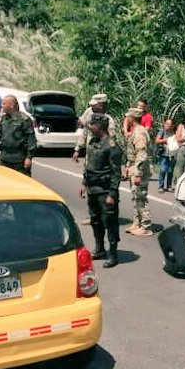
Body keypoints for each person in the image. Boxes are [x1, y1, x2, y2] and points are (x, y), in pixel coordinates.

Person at [79, 113, 124, 268]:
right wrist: (84, 183)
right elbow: (89, 166)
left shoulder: (111, 146)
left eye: (91, 124)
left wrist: (112, 193)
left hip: (105, 191)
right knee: (95, 220)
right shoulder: (93, 141)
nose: (89, 127)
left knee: (110, 223)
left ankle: (113, 254)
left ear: (98, 126)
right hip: (92, 188)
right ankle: (100, 249)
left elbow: (116, 172)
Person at [123, 105, 153, 236]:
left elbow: (142, 154)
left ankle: (145, 226)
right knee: (136, 197)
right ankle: (137, 223)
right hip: (134, 167)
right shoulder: (136, 130)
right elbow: (133, 153)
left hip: (139, 170)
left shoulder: (139, 132)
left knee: (141, 198)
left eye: (128, 117)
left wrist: (138, 173)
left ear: (132, 118)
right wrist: (128, 166)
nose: (126, 119)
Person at [0, 95, 36, 176]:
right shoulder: (4, 119)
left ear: (11, 105)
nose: (2, 106)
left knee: (21, 183)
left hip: (19, 159)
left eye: (4, 103)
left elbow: (31, 139)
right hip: (5, 158)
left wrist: (29, 157)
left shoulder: (24, 120)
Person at [73, 93, 117, 164]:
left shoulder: (109, 121)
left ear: (101, 106)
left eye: (94, 106)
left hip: (101, 157)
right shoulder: (89, 114)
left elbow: (112, 140)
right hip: (90, 153)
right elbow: (85, 133)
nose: (92, 107)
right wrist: (77, 149)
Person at [171, 113, 185, 184]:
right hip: (183, 148)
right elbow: (178, 139)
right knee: (180, 167)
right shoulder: (181, 126)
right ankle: (178, 182)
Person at [156, 118, 176, 192]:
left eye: (169, 124)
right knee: (163, 170)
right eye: (167, 124)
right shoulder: (162, 131)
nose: (168, 125)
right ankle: (161, 186)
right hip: (164, 153)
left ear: (172, 126)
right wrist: (167, 140)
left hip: (172, 154)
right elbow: (157, 140)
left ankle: (169, 186)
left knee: (170, 170)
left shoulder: (174, 132)